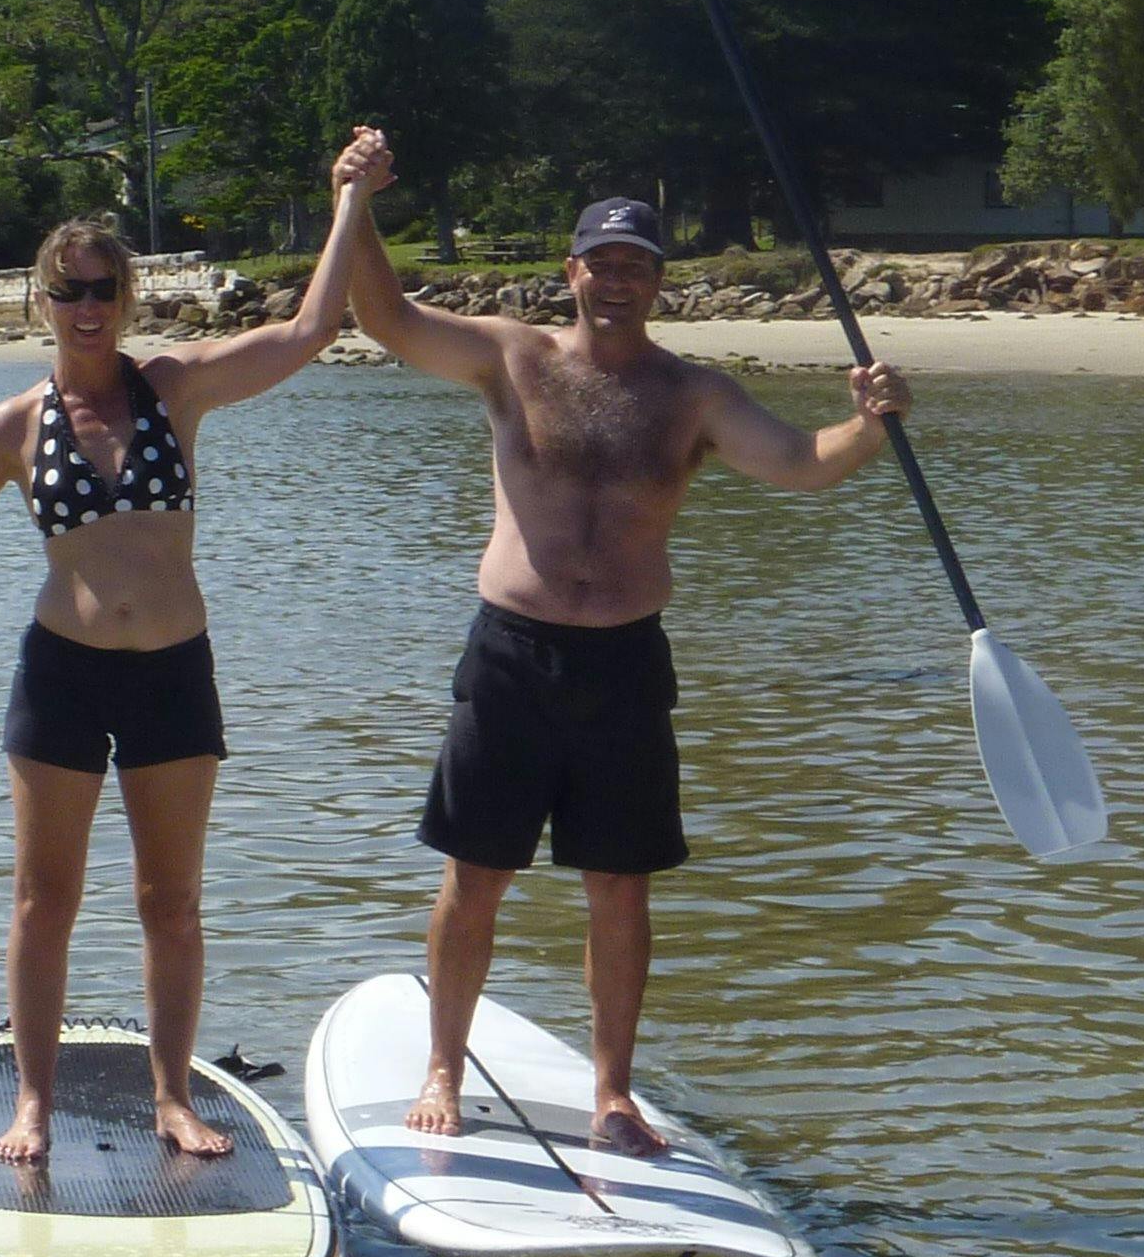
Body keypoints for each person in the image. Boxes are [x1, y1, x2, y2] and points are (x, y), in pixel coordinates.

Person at [0, 132, 394, 1165]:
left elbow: (314, 326)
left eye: (103, 288)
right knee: (46, 903)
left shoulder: (175, 388)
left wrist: (347, 197)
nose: (87, 306)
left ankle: (173, 1097)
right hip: (64, 676)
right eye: (68, 289)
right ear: (41, 301)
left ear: (126, 298)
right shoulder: (14, 424)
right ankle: (33, 1102)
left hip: (175, 674)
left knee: (169, 903)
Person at [338, 151, 911, 1153]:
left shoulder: (691, 395)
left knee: (621, 886)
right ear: (571, 272)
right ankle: (442, 1066)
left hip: (624, 667)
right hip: (512, 657)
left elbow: (799, 464)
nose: (616, 279)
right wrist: (355, 201)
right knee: (476, 875)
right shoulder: (513, 358)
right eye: (599, 262)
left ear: (658, 279)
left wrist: (868, 425)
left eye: (634, 263)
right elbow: (385, 320)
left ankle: (612, 1092)